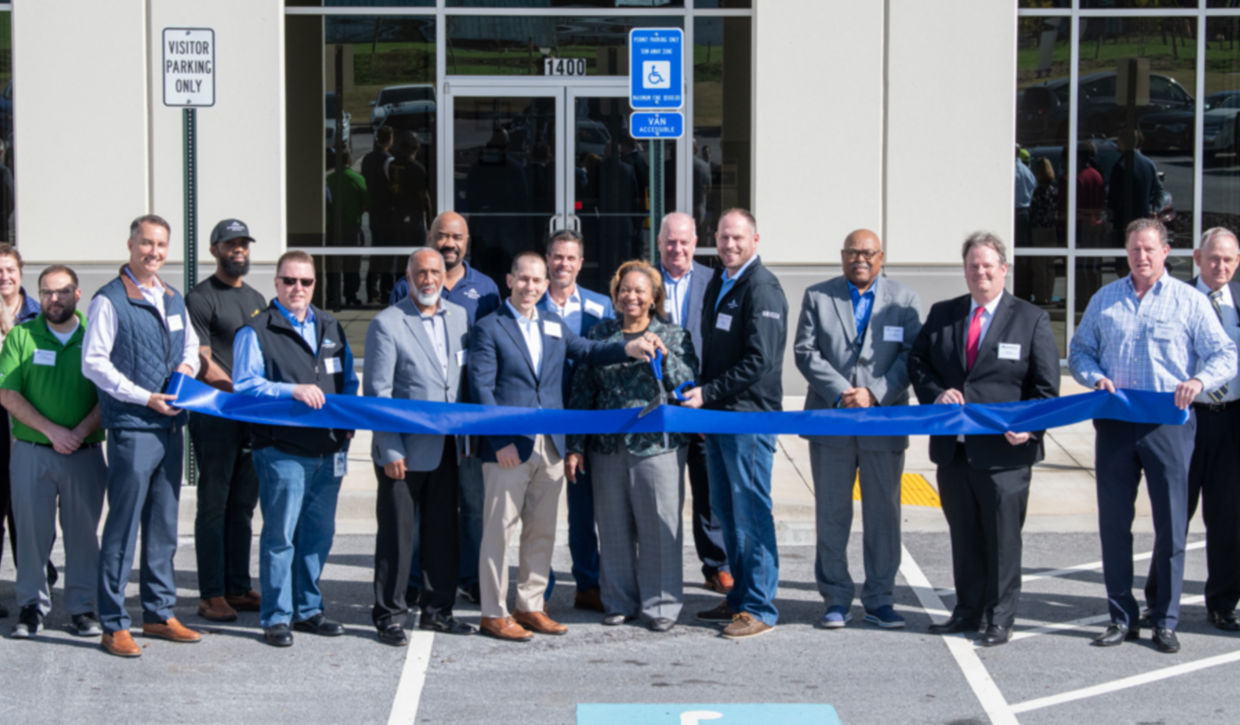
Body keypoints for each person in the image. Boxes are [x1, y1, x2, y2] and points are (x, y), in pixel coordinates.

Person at [468, 251, 661, 642]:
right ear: (509, 281)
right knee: (498, 532)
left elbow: (587, 352)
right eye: (523, 279)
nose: (530, 287)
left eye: (537, 281)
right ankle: (493, 612)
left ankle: (530, 605)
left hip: (551, 446)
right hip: (509, 448)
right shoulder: (489, 327)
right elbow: (481, 389)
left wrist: (628, 347)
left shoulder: (553, 324)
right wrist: (498, 440)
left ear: (545, 285)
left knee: (541, 531)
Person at [1069, 218, 1236, 653]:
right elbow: (1080, 350)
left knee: (1172, 526)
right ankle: (1120, 616)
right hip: (1117, 426)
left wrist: (1199, 382)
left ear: (1166, 253)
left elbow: (1225, 353)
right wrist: (1094, 376)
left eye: (1149, 249)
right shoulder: (1105, 299)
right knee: (1114, 525)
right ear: (1126, 253)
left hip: (1169, 426)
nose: (1141, 257)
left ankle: (1165, 618)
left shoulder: (1189, 302)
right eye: (1134, 249)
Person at [909, 232, 1059, 647]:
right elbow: (917, 362)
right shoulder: (944, 314)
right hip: (954, 452)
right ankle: (967, 610)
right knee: (965, 536)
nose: (980, 272)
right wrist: (937, 393)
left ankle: (1000, 617)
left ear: (1003, 269)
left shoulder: (1031, 319)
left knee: (1002, 540)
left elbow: (1046, 389)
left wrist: (1031, 427)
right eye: (973, 265)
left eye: (988, 265)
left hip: (1005, 455)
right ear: (965, 270)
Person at [83, 214, 202, 657]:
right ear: (130, 245)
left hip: (170, 427)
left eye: (161, 245)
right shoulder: (110, 300)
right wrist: (145, 397)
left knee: (163, 528)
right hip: (134, 428)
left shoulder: (171, 297)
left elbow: (190, 346)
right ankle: (113, 623)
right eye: (146, 243)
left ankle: (158, 613)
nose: (154, 252)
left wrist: (186, 371)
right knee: (123, 528)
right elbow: (94, 363)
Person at [794, 228, 922, 630]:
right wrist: (841, 392)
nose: (860, 259)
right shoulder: (818, 296)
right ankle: (835, 598)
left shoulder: (904, 300)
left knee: (883, 515)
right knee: (832, 514)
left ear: (881, 257)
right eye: (852, 252)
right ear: (842, 255)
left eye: (868, 253)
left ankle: (880, 599)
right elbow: (805, 351)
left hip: (882, 423)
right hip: (832, 422)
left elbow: (911, 356)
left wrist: (874, 393)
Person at [233, 250, 359, 648]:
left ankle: (308, 609)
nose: (297, 289)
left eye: (305, 282)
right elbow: (245, 386)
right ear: (276, 284)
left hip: (329, 452)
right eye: (289, 281)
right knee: (281, 537)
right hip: (282, 452)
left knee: (318, 536)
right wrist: (293, 391)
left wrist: (349, 422)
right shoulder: (255, 331)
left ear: (314, 284)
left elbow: (349, 380)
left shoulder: (331, 326)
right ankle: (277, 616)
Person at [566, 260, 697, 632]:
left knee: (659, 526)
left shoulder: (673, 335)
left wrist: (664, 358)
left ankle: (661, 607)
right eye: (625, 290)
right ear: (615, 294)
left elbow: (686, 387)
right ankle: (619, 601)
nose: (632, 297)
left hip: (656, 448)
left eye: (640, 290)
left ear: (654, 296)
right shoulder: (602, 333)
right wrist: (575, 445)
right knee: (612, 527)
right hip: (606, 449)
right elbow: (582, 391)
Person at [680, 208, 788, 640]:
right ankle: (740, 597)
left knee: (750, 513)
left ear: (755, 240)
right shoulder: (721, 284)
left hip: (748, 418)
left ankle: (760, 606)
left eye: (738, 238)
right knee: (726, 512)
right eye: (724, 237)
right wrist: (704, 400)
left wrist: (709, 394)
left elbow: (760, 361)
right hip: (720, 418)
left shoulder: (762, 288)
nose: (729, 245)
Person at [365, 247, 476, 647]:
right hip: (404, 452)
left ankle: (438, 611)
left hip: (448, 447)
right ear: (408, 278)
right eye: (420, 273)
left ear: (445, 275)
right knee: (398, 535)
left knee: (443, 532)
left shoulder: (460, 317)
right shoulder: (387, 324)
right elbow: (377, 394)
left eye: (435, 272)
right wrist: (390, 449)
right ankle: (390, 615)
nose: (428, 279)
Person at [389, 211, 501, 607]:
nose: (448, 243)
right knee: (421, 507)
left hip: (469, 420)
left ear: (467, 241)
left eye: (456, 237)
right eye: (441, 236)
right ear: (430, 237)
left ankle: (468, 576)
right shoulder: (407, 285)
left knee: (472, 502)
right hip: (421, 421)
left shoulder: (485, 289)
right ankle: (418, 578)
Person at [1141, 227, 1240, 633]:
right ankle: (1159, 600)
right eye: (1214, 258)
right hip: (1185, 420)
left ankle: (1222, 603)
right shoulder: (1176, 298)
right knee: (1174, 514)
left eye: (1229, 260)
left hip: (1231, 420)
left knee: (1229, 518)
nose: (1221, 267)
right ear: (1197, 258)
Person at [0, 264, 105, 638]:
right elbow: (8, 393)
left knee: (82, 536)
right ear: (38, 296)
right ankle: (30, 607)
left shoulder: (96, 337)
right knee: (31, 534)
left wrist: (77, 432)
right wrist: (52, 431)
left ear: (78, 295)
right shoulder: (22, 336)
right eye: (46, 292)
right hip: (33, 451)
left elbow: (108, 394)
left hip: (84, 451)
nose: (53, 299)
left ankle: (82, 609)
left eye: (61, 291)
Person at [185, 218, 266, 623]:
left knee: (243, 505)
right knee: (214, 505)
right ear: (215, 249)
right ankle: (211, 593)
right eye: (230, 244)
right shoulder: (200, 298)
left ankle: (237, 586)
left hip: (250, 416)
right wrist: (240, 389)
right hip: (216, 413)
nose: (239, 250)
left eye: (244, 244)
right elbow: (201, 359)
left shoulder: (256, 298)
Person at [536, 228, 613, 613]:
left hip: (586, 421)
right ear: (547, 259)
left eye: (570, 258)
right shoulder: (531, 303)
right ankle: (541, 587)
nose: (562, 263)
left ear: (581, 263)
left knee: (584, 509)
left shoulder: (601, 306)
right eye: (556, 256)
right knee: (542, 508)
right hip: (545, 420)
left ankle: (588, 582)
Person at [656, 211, 731, 595]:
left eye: (684, 242)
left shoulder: (714, 280)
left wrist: (710, 394)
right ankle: (657, 568)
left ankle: (716, 565)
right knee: (661, 496)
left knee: (709, 491)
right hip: (658, 407)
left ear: (695, 242)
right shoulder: (644, 280)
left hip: (702, 403)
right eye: (670, 241)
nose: (677, 249)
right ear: (659, 243)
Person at [0, 243, 40, 619]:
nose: (4, 276)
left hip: (28, 419)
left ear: (20, 273)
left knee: (27, 506)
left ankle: (33, 582)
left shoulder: (38, 314)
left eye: (9, 269)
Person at [325, 149, 367, 310]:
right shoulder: (357, 179)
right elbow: (367, 202)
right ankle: (350, 294)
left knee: (333, 265)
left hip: (333, 228)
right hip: (352, 226)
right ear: (349, 160)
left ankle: (331, 295)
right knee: (352, 264)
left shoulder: (329, 179)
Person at [1107, 128, 1165, 245]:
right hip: (1144, 217)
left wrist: (1111, 212)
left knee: (1124, 254)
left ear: (1123, 143)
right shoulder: (1149, 164)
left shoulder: (1121, 166)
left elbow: (1115, 195)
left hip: (1124, 220)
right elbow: (1159, 189)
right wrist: (1154, 209)